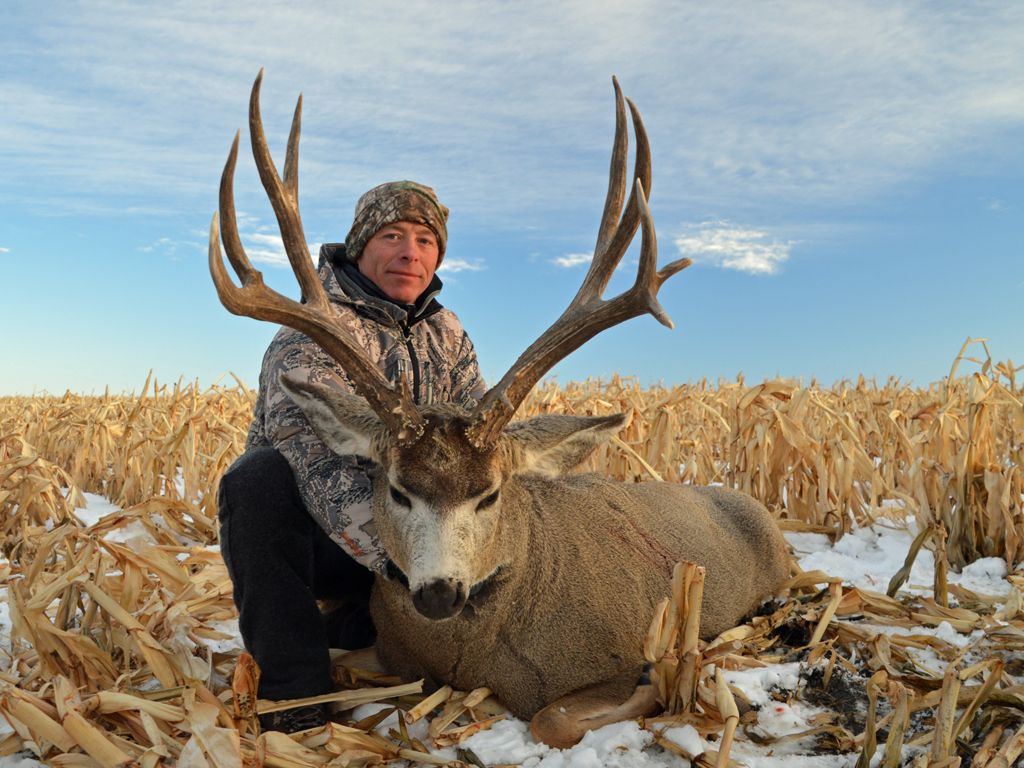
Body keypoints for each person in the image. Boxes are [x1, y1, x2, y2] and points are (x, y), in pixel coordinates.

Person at [217, 181, 487, 733]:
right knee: (256, 481)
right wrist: (406, 569)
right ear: (360, 246)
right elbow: (315, 465)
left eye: (425, 240)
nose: (411, 252)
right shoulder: (312, 330)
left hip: (419, 545)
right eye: (392, 235)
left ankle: (358, 627)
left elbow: (478, 442)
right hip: (329, 542)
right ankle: (294, 694)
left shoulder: (448, 333)